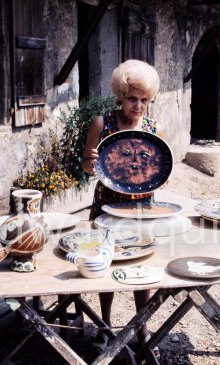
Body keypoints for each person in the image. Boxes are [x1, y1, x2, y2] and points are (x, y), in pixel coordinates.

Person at [81, 59, 164, 353]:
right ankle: (104, 327)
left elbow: (158, 169)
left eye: (144, 100)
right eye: (132, 99)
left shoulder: (154, 128)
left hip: (141, 207)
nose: (138, 106)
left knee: (141, 266)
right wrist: (90, 164)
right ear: (120, 95)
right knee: (106, 264)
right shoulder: (102, 123)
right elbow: (88, 167)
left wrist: (156, 178)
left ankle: (142, 329)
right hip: (107, 206)